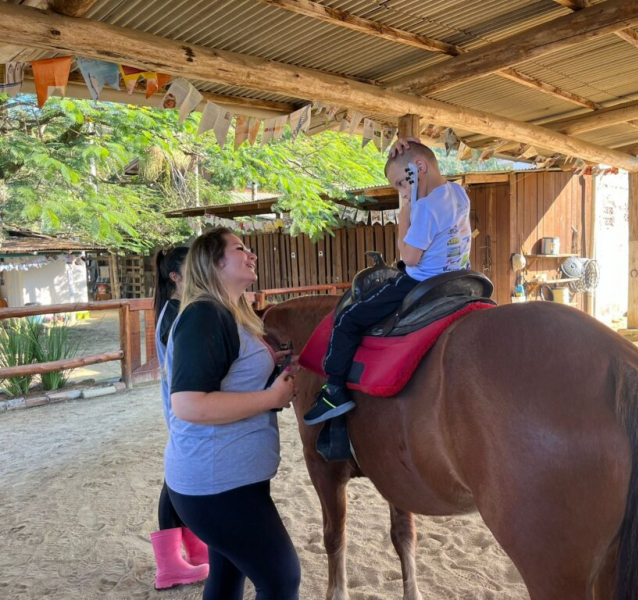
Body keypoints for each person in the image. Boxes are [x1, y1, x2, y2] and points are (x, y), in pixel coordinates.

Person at [164, 228, 300, 600]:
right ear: (214, 262)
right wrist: (270, 398)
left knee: (227, 575)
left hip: (228, 479)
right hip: (217, 483)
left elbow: (233, 380)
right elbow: (189, 404)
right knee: (281, 579)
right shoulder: (205, 315)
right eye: (240, 248)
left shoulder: (229, 313)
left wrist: (275, 375)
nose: (251, 254)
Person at [303, 138, 473, 425]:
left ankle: (334, 391)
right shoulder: (458, 192)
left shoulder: (425, 208)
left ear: (419, 168)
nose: (401, 191)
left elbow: (410, 258)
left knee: (348, 320)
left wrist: (404, 212)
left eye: (400, 183)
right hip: (460, 277)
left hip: (421, 282)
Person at [151, 246, 210, 590]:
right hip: (182, 409)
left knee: (177, 478)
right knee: (175, 481)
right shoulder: (175, 314)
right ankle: (170, 563)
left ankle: (190, 547)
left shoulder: (177, 309)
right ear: (175, 277)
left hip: (179, 406)